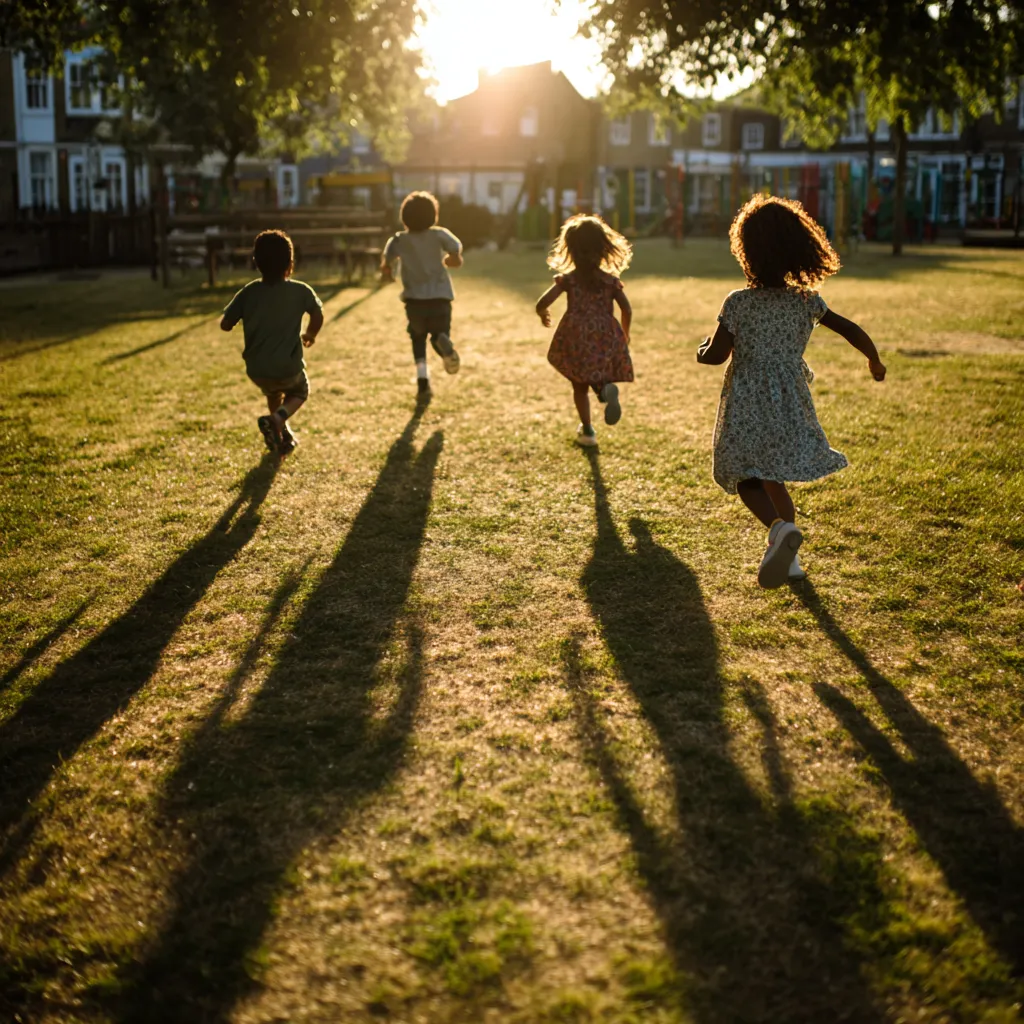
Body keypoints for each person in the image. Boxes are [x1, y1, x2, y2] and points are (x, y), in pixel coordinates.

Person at [697, 194, 886, 588]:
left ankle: (779, 530)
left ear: (746, 250)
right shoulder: (806, 301)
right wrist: (873, 358)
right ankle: (791, 558)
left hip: (748, 403)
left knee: (745, 477)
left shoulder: (738, 303)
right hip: (789, 402)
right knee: (774, 476)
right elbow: (849, 328)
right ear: (799, 250)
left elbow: (716, 356)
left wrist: (701, 349)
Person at [221, 230, 324, 456]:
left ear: (256, 262)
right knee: (300, 391)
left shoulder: (248, 292)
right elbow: (317, 313)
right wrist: (310, 334)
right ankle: (278, 419)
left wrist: (240, 318)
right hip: (289, 367)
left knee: (273, 394)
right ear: (290, 262)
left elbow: (225, 324)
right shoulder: (300, 290)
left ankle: (280, 435)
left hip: (257, 369)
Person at [535, 214, 633, 447]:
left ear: (570, 249)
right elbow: (626, 308)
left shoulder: (569, 280)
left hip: (576, 335)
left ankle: (588, 431)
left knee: (579, 384)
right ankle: (605, 390)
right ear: (603, 248)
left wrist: (542, 313)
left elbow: (543, 302)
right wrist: (625, 334)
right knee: (598, 372)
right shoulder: (609, 281)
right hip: (604, 334)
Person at [381, 191, 463, 395]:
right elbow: (456, 247)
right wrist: (453, 259)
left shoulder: (398, 240)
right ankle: (442, 340)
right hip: (440, 297)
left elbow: (386, 261)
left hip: (414, 300)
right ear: (433, 215)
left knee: (418, 339)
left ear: (404, 217)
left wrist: (388, 273)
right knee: (438, 334)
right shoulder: (438, 234)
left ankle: (422, 379)